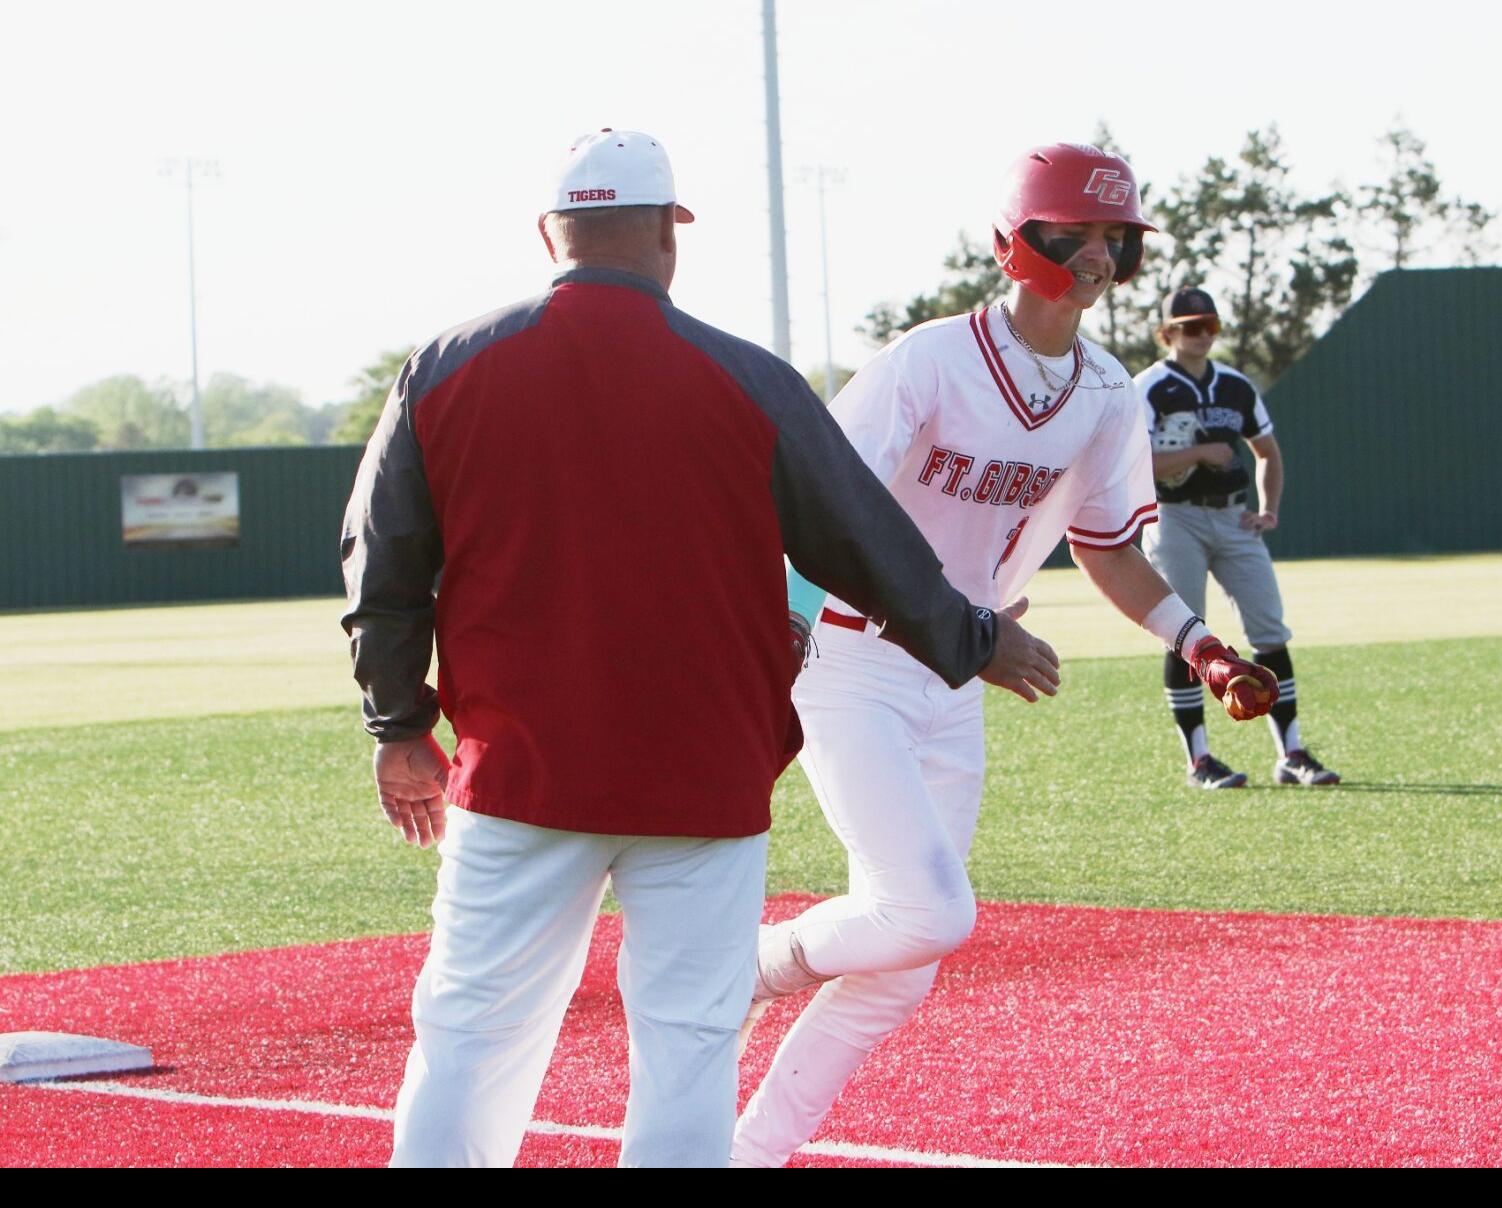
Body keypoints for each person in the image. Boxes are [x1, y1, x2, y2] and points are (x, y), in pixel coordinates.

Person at [339, 128, 1061, 1169]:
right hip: (702, 775)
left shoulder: (447, 367)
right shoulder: (749, 379)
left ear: (551, 234)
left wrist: (397, 723)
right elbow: (866, 539)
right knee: (685, 1047)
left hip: (518, 772)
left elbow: (384, 563)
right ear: (669, 237)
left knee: (470, 1033)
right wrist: (974, 635)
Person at [730, 144, 1278, 1168]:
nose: (1098, 254)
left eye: (1115, 236)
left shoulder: (1108, 390)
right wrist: (787, 647)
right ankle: (739, 972)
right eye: (1074, 231)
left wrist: (1198, 645)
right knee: (926, 909)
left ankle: (749, 1149)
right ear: (1011, 242)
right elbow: (816, 510)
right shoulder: (925, 361)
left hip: (958, 670)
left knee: (905, 961)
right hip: (852, 656)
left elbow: (1106, 545)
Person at [1135, 286, 1340, 788]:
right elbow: (1134, 462)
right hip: (1174, 516)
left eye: (1210, 326)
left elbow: (1267, 451)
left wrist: (1268, 510)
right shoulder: (1149, 386)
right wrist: (1197, 454)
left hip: (1232, 518)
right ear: (1167, 333)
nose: (1202, 335)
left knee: (1270, 632)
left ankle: (1291, 753)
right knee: (1185, 635)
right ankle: (1199, 760)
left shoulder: (1234, 385)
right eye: (1190, 326)